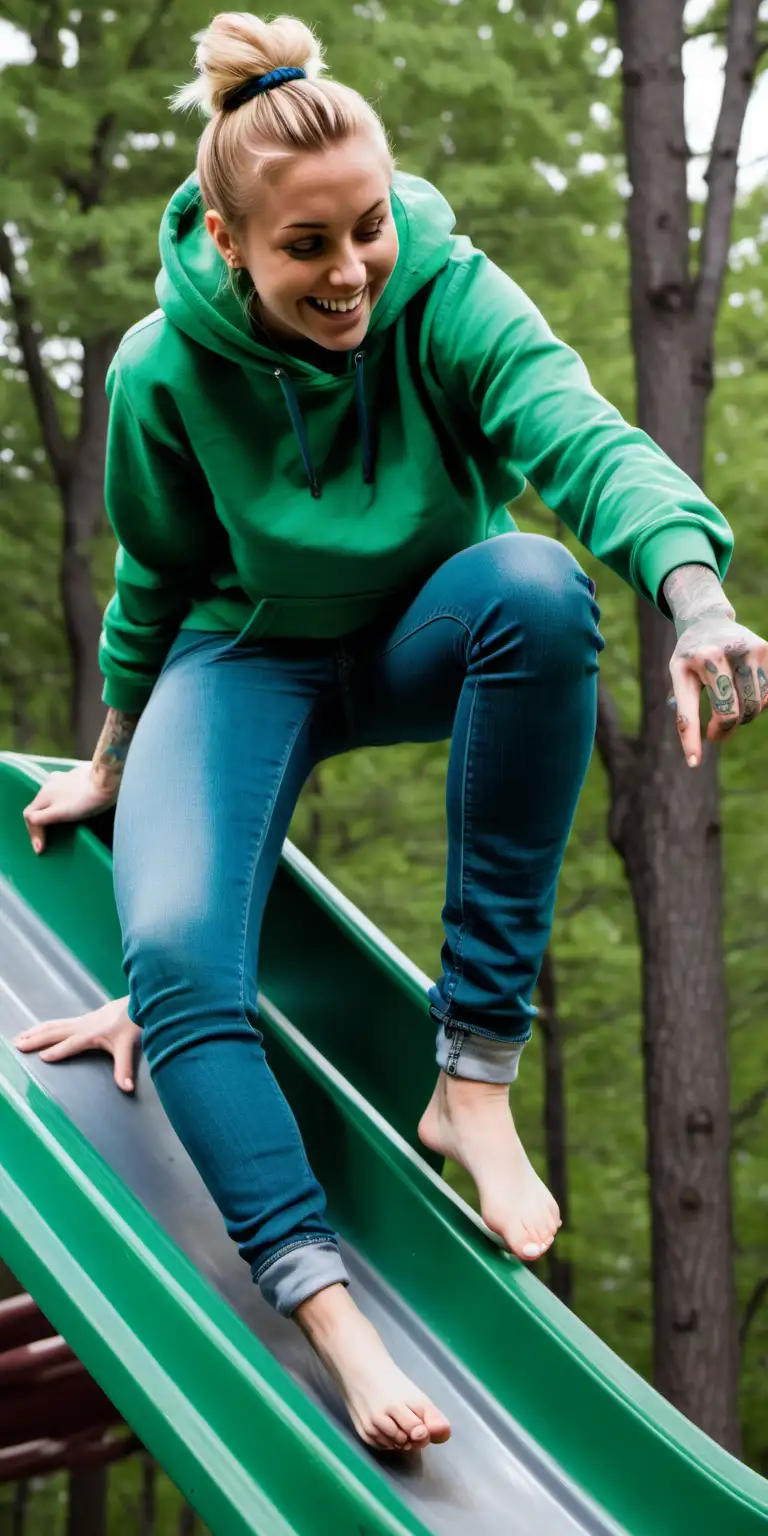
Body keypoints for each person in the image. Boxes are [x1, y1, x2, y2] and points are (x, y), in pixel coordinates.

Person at [15, 11, 768, 1455]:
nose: (353, 269)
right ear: (232, 242)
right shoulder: (160, 372)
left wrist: (696, 593)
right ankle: (327, 1309)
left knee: (539, 591)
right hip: (245, 658)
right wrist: (111, 763)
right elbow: (157, 577)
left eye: (368, 229)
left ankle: (471, 1074)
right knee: (173, 964)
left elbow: (573, 427)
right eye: (308, 247)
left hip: (434, 624)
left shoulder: (439, 290)